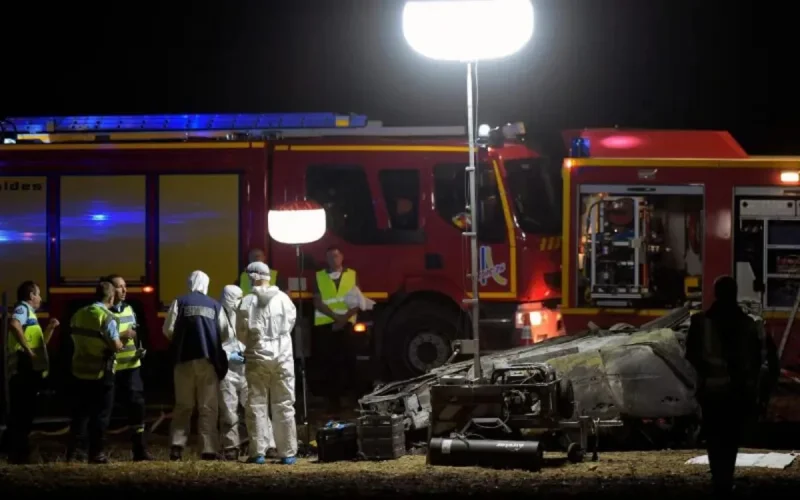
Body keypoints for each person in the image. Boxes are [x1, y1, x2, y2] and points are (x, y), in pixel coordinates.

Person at [685, 276, 763, 497]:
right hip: (737, 394)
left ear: (715, 293)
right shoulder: (747, 324)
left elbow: (691, 355)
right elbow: (757, 360)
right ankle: (726, 481)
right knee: (731, 439)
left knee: (715, 439)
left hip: (711, 393)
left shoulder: (701, 322)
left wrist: (704, 375)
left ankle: (719, 480)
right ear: (735, 293)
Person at [163, 270, 228, 461]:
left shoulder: (180, 302)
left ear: (189, 283)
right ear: (206, 284)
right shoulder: (215, 305)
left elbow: (168, 330)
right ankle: (208, 449)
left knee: (183, 405)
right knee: (208, 406)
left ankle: (177, 446)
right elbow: (225, 334)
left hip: (183, 359)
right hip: (208, 361)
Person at [237, 262, 298, 465]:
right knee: (284, 403)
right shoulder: (284, 299)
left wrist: (255, 344)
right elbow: (290, 323)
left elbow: (241, 333)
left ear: (252, 277)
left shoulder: (246, 302)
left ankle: (258, 452)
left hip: (257, 356)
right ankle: (288, 453)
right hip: (283, 356)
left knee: (256, 404)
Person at [67, 281, 124, 464]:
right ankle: (96, 453)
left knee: (80, 414)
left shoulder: (79, 313)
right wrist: (122, 340)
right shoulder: (107, 317)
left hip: (79, 369)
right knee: (101, 415)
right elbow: (115, 346)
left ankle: (75, 452)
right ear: (111, 297)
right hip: (101, 372)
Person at [218, 284, 275, 460]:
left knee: (257, 407)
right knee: (229, 410)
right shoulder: (217, 316)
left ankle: (268, 444)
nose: (238, 301)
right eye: (235, 298)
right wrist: (227, 355)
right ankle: (231, 447)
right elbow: (213, 342)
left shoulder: (246, 313)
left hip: (247, 367)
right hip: (227, 369)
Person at [5, 281, 59, 464]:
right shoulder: (22, 309)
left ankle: (14, 449)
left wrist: (50, 329)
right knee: (22, 411)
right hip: (23, 368)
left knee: (25, 410)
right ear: (30, 296)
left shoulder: (30, 315)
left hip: (29, 369)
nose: (41, 298)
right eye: (38, 294)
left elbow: (40, 343)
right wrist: (27, 350)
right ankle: (18, 452)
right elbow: (13, 324)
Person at [101, 274, 153, 461]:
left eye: (125, 286)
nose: (124, 290)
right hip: (111, 368)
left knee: (137, 407)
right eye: (119, 287)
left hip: (132, 366)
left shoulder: (129, 309)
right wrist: (123, 334)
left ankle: (140, 450)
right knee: (104, 410)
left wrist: (140, 349)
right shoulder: (103, 312)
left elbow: (136, 333)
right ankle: (98, 452)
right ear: (109, 289)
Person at [312, 246, 360, 414]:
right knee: (329, 365)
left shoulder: (351, 274)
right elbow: (317, 302)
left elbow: (357, 301)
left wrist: (343, 319)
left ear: (342, 257)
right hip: (327, 325)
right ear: (326, 259)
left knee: (350, 363)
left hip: (345, 325)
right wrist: (336, 318)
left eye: (336, 256)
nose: (333, 259)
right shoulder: (319, 276)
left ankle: (353, 401)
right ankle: (333, 403)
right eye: (330, 256)